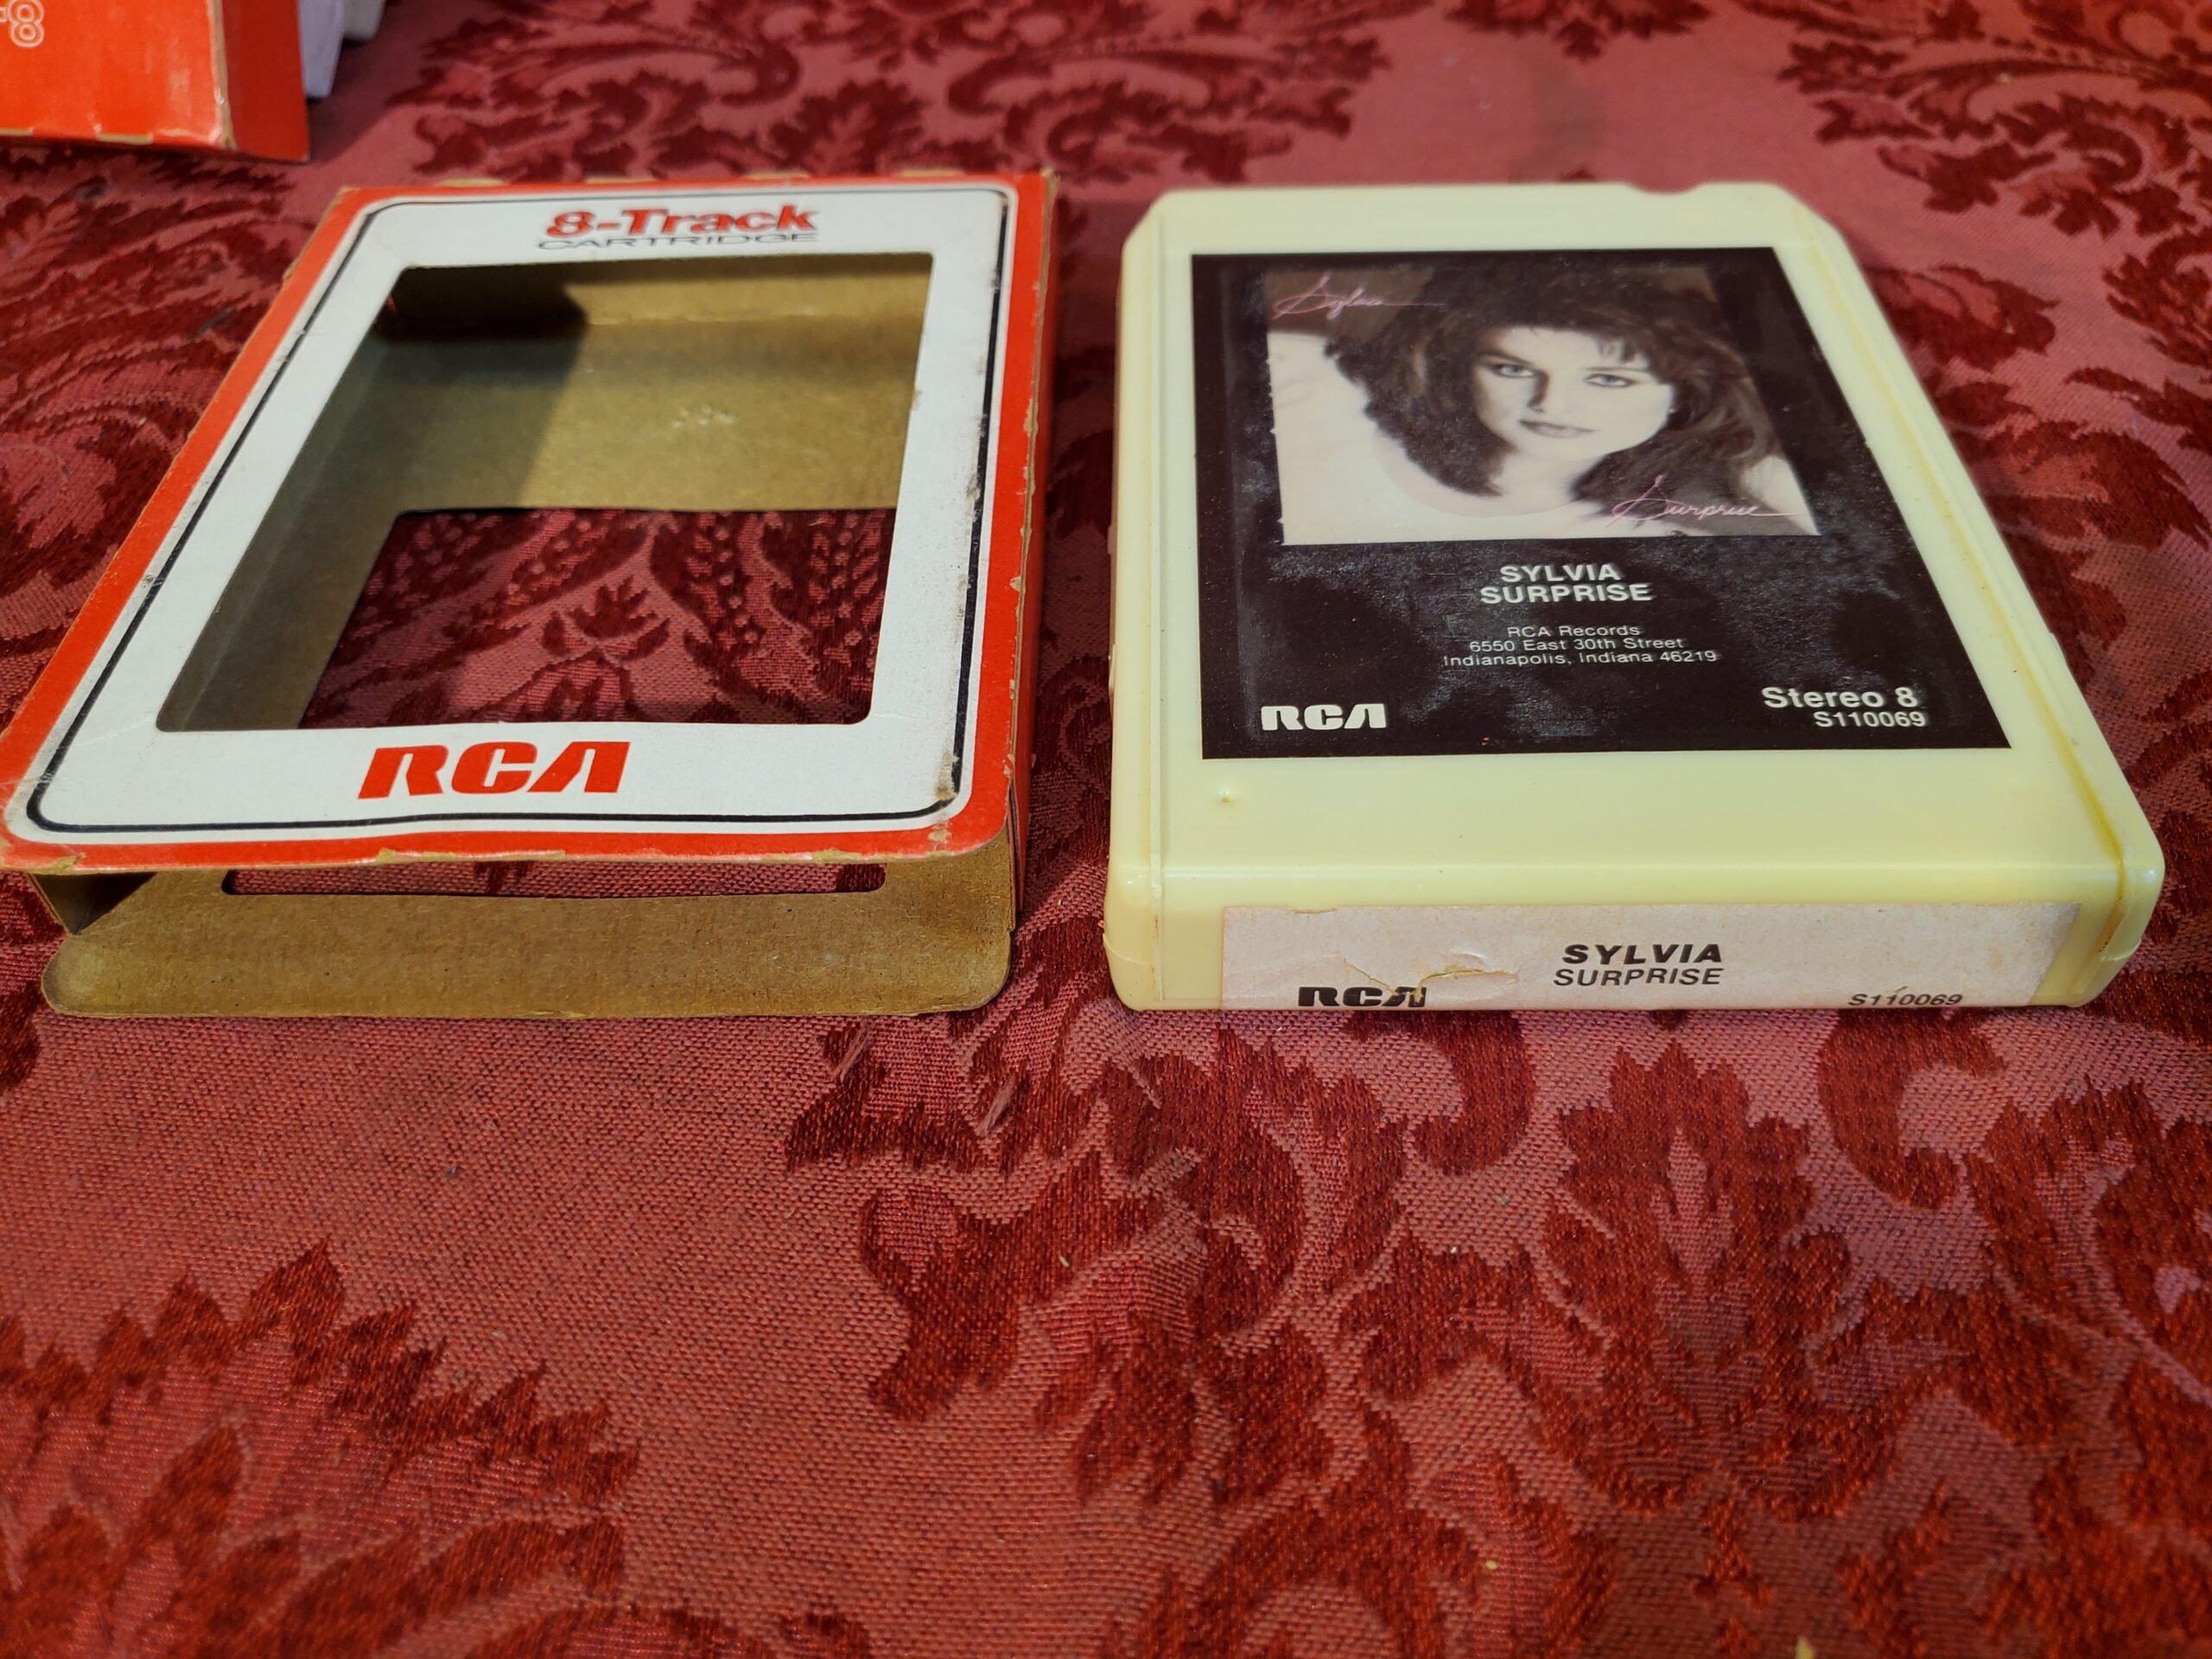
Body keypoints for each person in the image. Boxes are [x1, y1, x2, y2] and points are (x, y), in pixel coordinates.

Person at [1268, 264, 1815, 543]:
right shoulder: (1315, 386)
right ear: (1460, 367)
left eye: (1609, 380)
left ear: (1685, 395)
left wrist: (1757, 465)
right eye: (1513, 369)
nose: (1554, 404)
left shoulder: (1648, 543)